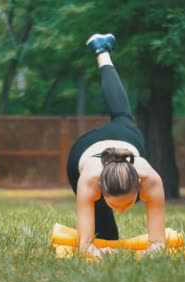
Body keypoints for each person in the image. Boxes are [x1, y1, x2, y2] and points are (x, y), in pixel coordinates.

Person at [66, 33, 167, 259]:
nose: (121, 211)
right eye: (117, 205)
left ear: (138, 184)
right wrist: (90, 248)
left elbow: (158, 242)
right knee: (107, 241)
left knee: (123, 114)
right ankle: (101, 50)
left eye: (127, 204)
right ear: (101, 188)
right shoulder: (90, 181)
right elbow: (85, 246)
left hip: (124, 137)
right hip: (84, 151)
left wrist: (154, 250)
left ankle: (102, 51)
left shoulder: (151, 180)